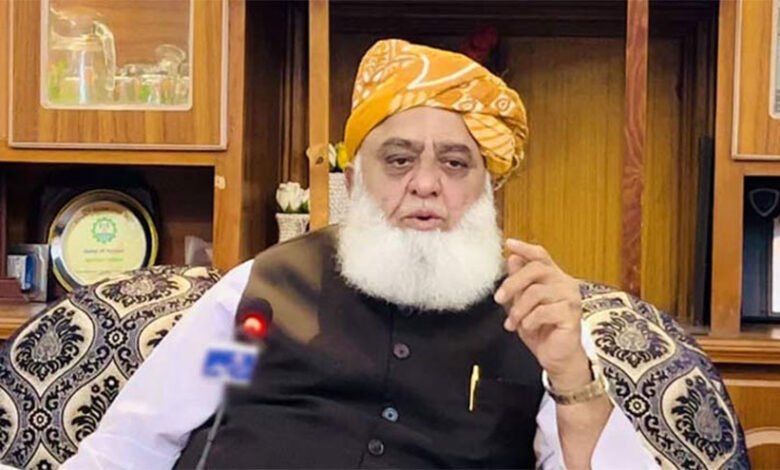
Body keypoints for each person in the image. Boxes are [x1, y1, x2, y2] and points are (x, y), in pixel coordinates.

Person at [62, 39, 658, 469]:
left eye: (455, 163)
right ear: (353, 177)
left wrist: (572, 376)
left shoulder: (528, 319)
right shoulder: (265, 296)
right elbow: (137, 442)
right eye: (399, 160)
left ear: (488, 186)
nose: (425, 184)